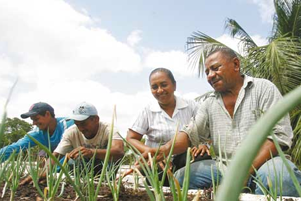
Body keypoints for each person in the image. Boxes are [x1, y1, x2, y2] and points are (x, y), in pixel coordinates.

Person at [152, 47, 301, 196]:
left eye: (215, 68)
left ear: (236, 64)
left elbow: (279, 136)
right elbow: (191, 133)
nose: (210, 75)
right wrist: (164, 150)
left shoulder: (263, 89)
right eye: (207, 72)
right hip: (223, 166)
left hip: (264, 163)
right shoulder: (209, 103)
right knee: (180, 178)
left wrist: (245, 171)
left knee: (284, 177)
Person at [20, 102, 124, 184]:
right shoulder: (71, 131)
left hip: (105, 168)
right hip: (84, 167)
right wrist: (43, 173)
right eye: (77, 123)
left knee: (111, 158)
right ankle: (81, 184)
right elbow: (56, 155)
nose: (81, 128)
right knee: (71, 160)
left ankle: (107, 183)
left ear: (95, 119)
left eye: (83, 123)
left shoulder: (108, 129)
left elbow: (119, 151)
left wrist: (92, 152)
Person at [126, 68, 199, 178]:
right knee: (158, 174)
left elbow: (205, 129)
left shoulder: (191, 105)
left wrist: (203, 144)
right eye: (154, 87)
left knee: (201, 157)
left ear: (174, 85)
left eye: (164, 85)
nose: (159, 90)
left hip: (184, 157)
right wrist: (152, 153)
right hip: (157, 161)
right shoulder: (148, 110)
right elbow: (131, 138)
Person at [0, 102, 74, 162]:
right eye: (32, 120)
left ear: (47, 114)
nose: (34, 123)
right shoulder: (37, 133)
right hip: (57, 162)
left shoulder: (69, 125)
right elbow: (15, 147)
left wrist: (49, 168)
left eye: (36, 119)